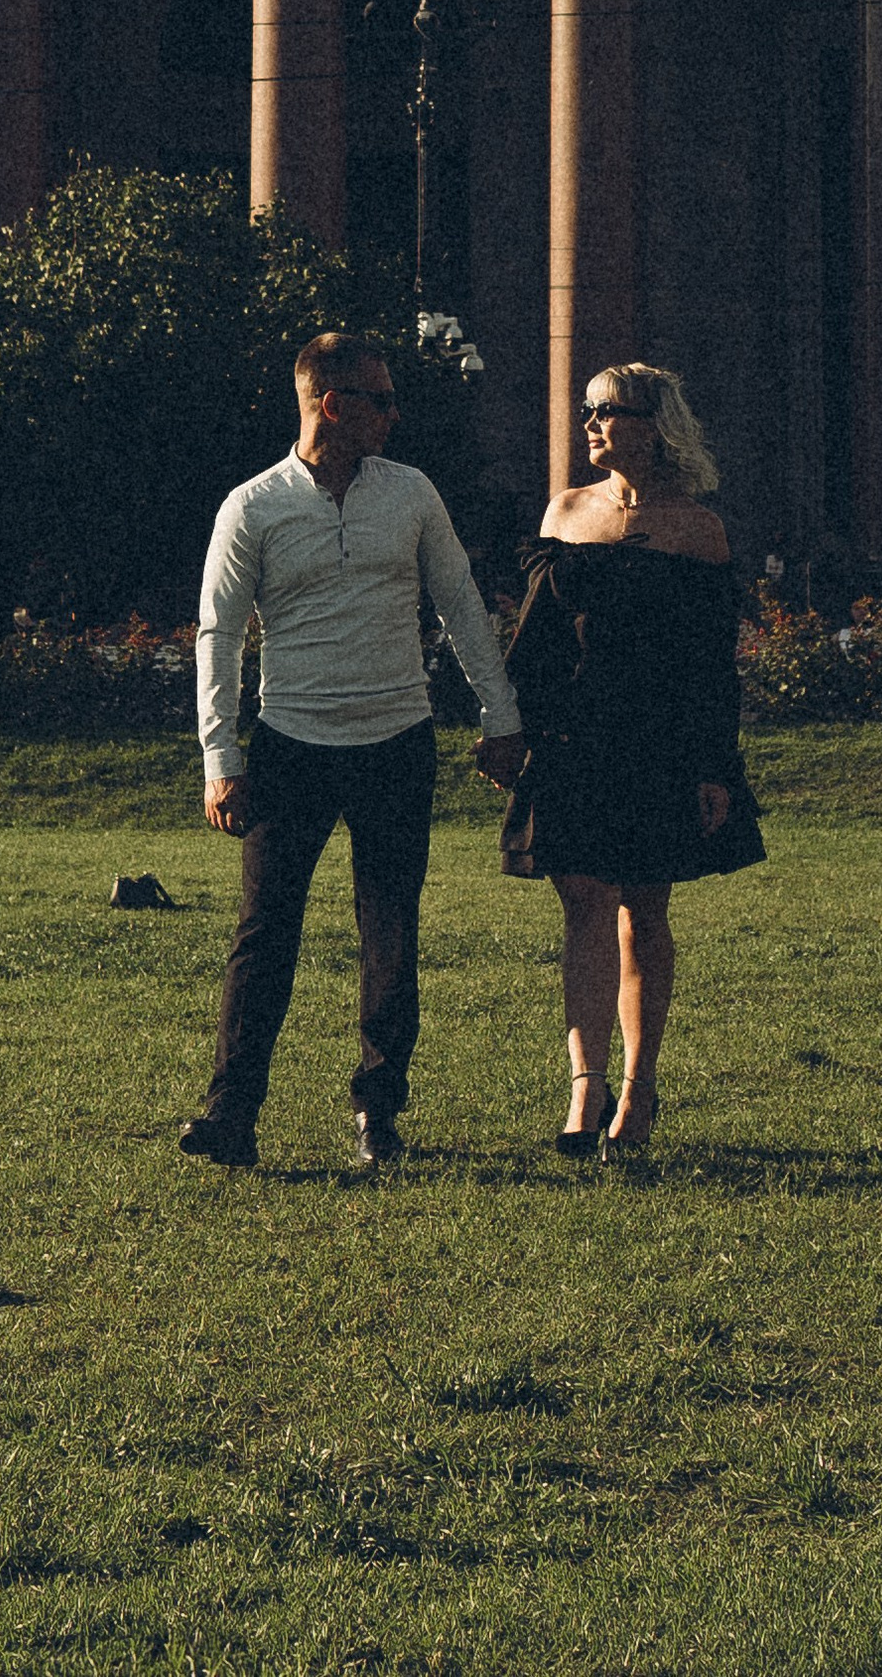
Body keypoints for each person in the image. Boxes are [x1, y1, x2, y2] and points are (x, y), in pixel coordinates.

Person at [181, 332, 524, 1171]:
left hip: (396, 743)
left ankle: (380, 1111)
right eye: (381, 398)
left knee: (391, 932)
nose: (396, 414)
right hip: (291, 747)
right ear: (332, 404)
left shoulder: (410, 494)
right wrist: (220, 758)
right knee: (265, 932)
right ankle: (231, 1115)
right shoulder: (252, 507)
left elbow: (461, 604)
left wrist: (501, 714)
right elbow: (218, 637)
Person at [500, 362, 764, 1159]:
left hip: (662, 743)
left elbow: (712, 664)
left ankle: (640, 1090)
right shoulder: (566, 511)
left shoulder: (699, 529)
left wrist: (715, 767)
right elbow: (534, 640)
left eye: (606, 411)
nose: (590, 424)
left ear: (655, 426)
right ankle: (585, 1088)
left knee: (642, 912)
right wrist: (506, 726)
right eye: (587, 410)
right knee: (582, 901)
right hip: (574, 740)